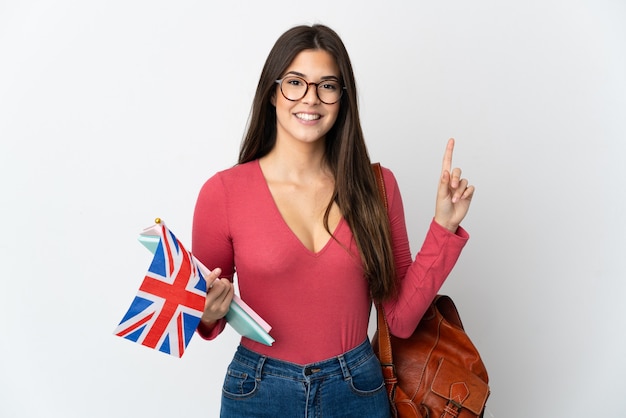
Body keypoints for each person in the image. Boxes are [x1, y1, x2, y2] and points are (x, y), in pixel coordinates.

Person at [192, 24, 474, 418]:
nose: (311, 98)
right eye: (295, 82)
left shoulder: (377, 186)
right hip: (258, 392)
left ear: (342, 98)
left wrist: (443, 228)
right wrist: (206, 312)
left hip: (356, 389)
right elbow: (201, 315)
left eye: (327, 85)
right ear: (272, 92)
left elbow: (402, 319)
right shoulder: (222, 193)